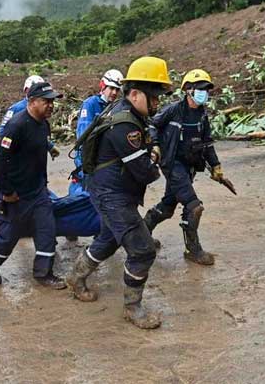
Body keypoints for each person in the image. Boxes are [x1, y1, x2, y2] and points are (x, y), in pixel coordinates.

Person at [66, 56, 171, 329]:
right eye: (154, 98)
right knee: (143, 250)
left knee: (110, 238)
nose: (157, 104)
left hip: (107, 189)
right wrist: (156, 156)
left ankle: (76, 277)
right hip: (112, 195)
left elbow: (150, 135)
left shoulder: (126, 112)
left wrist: (153, 149)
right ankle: (132, 308)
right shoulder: (125, 125)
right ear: (135, 93)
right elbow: (147, 172)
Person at [0, 81, 67, 289]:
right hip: (17, 195)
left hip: (38, 191)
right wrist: (7, 192)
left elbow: (39, 144)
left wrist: (50, 149)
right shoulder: (16, 126)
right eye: (46, 101)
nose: (51, 106)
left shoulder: (43, 124)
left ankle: (43, 274)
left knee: (47, 230)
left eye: (52, 102)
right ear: (32, 101)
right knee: (8, 238)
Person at [143, 69, 224, 266]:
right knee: (194, 207)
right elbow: (151, 124)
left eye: (206, 89)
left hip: (189, 166)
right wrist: (154, 144)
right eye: (200, 89)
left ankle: (142, 235)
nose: (204, 93)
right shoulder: (174, 110)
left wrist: (216, 165)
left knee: (168, 206)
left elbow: (207, 143)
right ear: (188, 90)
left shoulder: (203, 115)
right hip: (172, 164)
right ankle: (192, 250)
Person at [68, 69, 124, 196]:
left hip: (103, 160)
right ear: (103, 86)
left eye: (117, 89)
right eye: (112, 88)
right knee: (85, 195)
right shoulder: (91, 104)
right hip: (87, 158)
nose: (114, 92)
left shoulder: (116, 107)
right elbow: (84, 135)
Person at [0, 74, 60, 160]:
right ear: (27, 90)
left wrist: (49, 146)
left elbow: (39, 132)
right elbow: (3, 131)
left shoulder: (42, 111)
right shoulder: (16, 108)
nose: (50, 105)